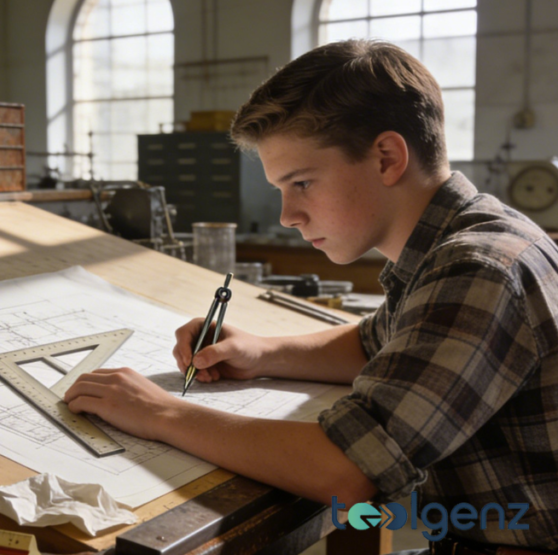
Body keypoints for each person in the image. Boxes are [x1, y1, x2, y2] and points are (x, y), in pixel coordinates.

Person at [63, 39, 558, 554]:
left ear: (387, 157)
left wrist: (159, 413)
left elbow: (345, 470)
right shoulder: (463, 238)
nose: (287, 216)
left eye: (301, 183)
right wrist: (261, 352)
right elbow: (379, 343)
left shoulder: (477, 267)